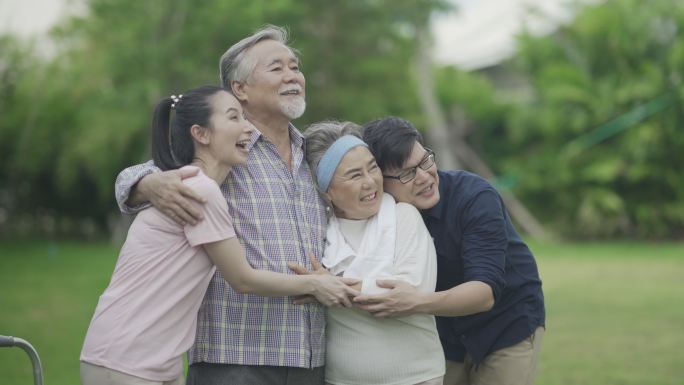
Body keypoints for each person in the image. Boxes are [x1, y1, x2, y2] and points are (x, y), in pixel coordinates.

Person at [114, 26, 353, 384]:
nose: (293, 76)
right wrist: (150, 183)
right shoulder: (223, 150)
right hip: (234, 357)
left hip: (311, 355)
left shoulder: (314, 156)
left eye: (295, 67)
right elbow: (130, 177)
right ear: (239, 90)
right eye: (277, 68)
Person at [355, 116, 546, 385]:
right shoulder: (378, 214)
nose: (424, 177)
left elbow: (484, 293)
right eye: (408, 173)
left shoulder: (475, 196)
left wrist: (415, 301)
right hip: (443, 332)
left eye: (425, 162)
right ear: (380, 180)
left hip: (506, 322)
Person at [300, 121, 445, 385]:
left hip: (417, 376)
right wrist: (324, 287)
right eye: (355, 175)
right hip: (342, 379)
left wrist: (329, 287)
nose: (371, 182)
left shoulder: (404, 216)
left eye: (373, 168)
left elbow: (409, 291)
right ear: (326, 190)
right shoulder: (318, 234)